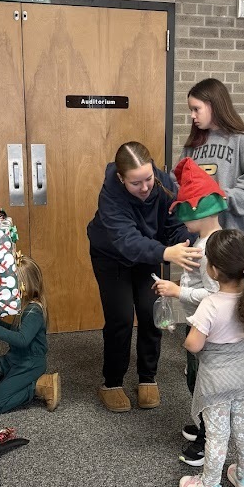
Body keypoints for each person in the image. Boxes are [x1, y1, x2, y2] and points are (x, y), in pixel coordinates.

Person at [88, 141, 202, 413]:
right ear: (121, 178)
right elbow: (126, 241)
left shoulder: (163, 184)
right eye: (135, 183)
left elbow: (175, 225)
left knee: (153, 313)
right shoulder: (110, 195)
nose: (145, 187)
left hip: (151, 253)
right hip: (112, 255)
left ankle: (147, 377)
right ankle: (112, 382)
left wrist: (188, 245)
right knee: (121, 318)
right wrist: (166, 252)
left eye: (148, 178)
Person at [179, 229, 244, 487]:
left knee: (218, 435)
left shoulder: (210, 304)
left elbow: (194, 345)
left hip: (217, 381)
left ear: (214, 270)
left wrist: (186, 333)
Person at [154, 157, 225, 467]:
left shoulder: (211, 248)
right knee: (197, 380)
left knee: (203, 384)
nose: (183, 224)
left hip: (206, 330)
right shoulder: (208, 241)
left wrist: (177, 291)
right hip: (201, 326)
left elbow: (215, 295)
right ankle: (205, 427)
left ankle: (210, 437)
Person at [180, 78, 244, 240]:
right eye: (191, 110)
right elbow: (178, 182)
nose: (192, 115)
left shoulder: (242, 140)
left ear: (213, 105)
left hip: (233, 239)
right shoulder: (192, 145)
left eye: (196, 109)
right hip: (199, 239)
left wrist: (218, 198)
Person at [0, 255, 60, 414]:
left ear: (23, 286)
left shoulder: (34, 311)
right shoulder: (25, 306)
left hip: (29, 364)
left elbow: (22, 340)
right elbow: (18, 332)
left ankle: (38, 387)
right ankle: (10, 383)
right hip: (15, 359)